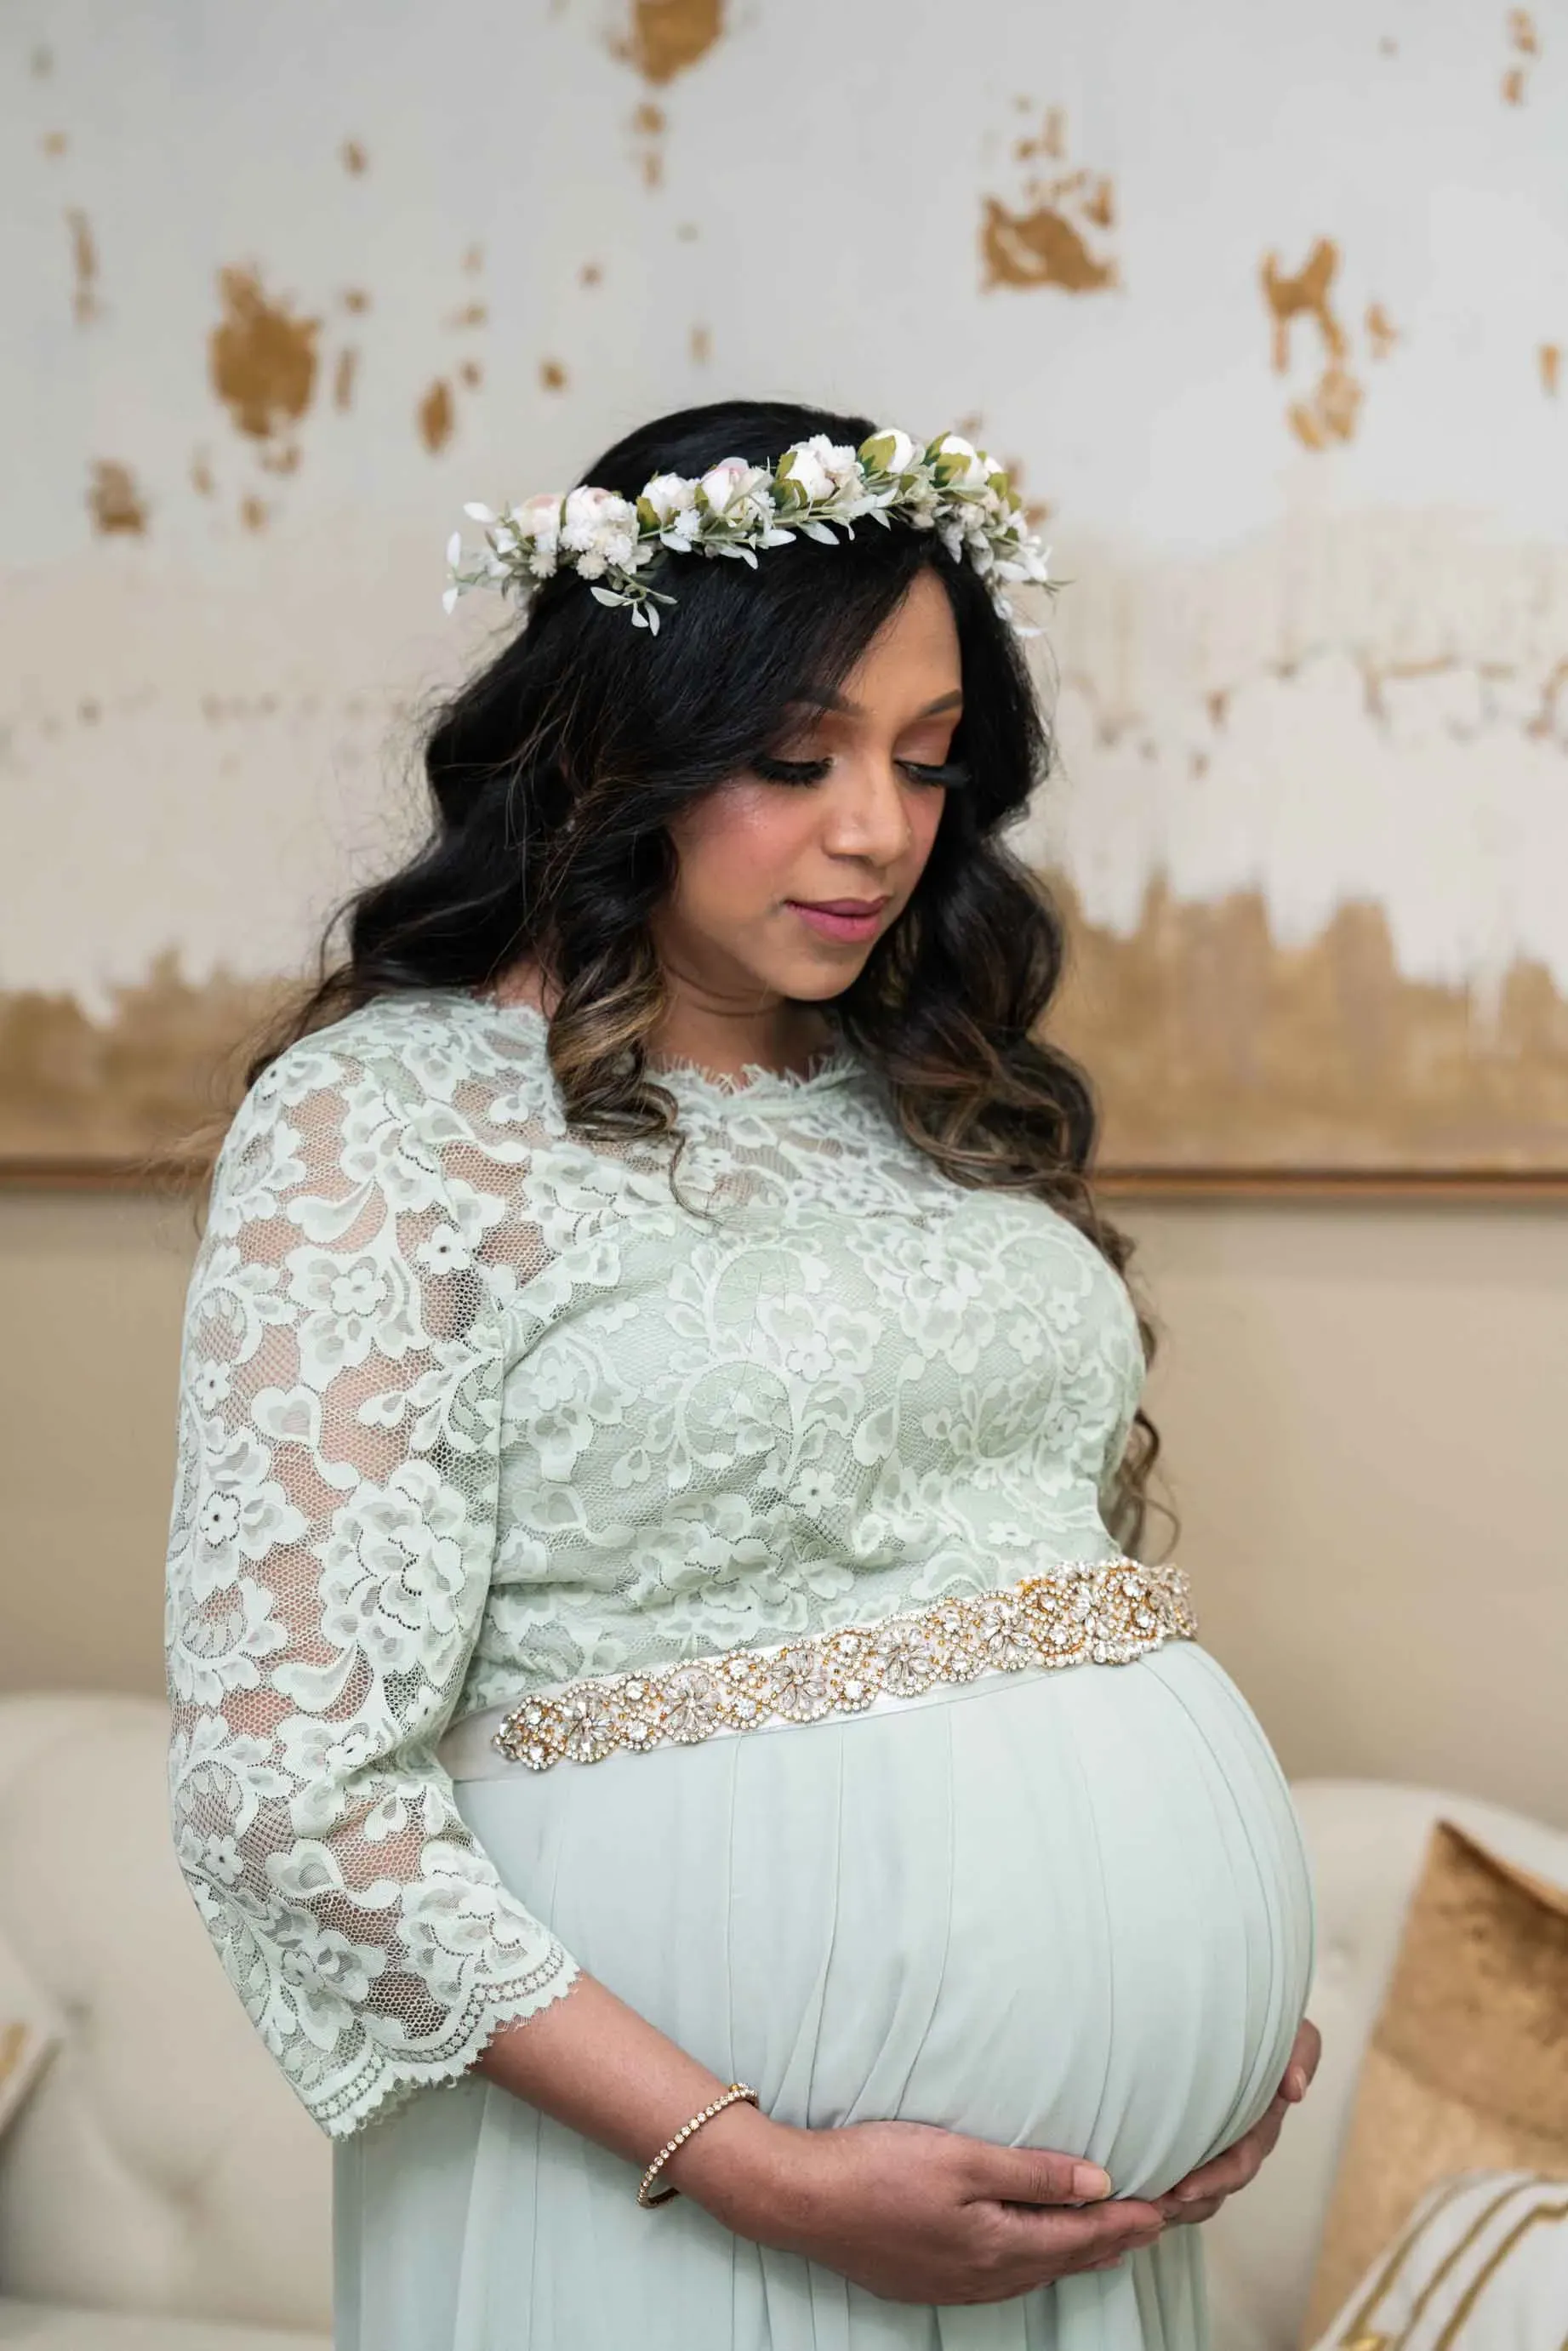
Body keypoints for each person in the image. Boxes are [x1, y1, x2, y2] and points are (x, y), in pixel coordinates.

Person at [163, 399, 1320, 2351]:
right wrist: (754, 2158)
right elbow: (287, 1796)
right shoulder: (396, 1121)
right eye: (797, 758)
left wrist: (1175, 1955)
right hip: (684, 2202)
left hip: (1071, 2235)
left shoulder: (921, 1090)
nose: (879, 828)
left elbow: (1016, 1570)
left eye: (931, 762)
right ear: (621, 742)